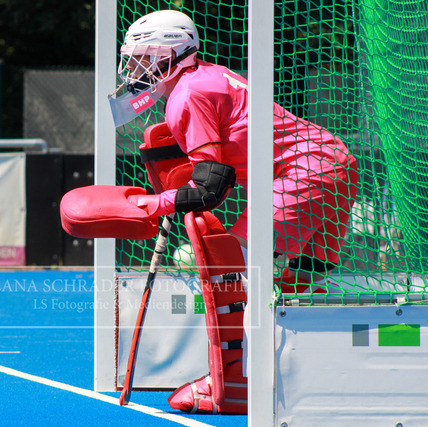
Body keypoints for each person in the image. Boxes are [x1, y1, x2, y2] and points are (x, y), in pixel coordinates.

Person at [109, 9, 359, 413]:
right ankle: (303, 374)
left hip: (307, 170)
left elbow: (210, 187)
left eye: (142, 58)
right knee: (299, 285)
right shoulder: (208, 75)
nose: (135, 70)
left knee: (234, 273)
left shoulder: (187, 95)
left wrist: (155, 203)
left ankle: (237, 379)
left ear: (170, 54)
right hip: (335, 162)